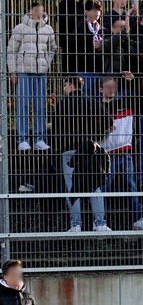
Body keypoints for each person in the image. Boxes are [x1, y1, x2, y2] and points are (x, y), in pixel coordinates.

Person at [51, 76, 110, 233]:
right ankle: (100, 224)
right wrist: (95, 135)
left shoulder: (63, 103)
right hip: (89, 149)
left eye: (65, 85)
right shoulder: (90, 101)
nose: (64, 89)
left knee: (72, 188)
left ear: (71, 86)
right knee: (95, 186)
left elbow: (55, 130)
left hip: (69, 150)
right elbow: (109, 123)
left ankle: (76, 225)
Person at [97, 77, 143, 231]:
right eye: (107, 87)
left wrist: (132, 82)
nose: (111, 90)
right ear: (100, 89)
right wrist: (103, 131)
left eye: (113, 87)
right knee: (104, 188)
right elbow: (90, 130)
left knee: (131, 186)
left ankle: (137, 218)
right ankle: (100, 221)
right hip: (106, 155)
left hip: (125, 152)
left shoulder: (125, 103)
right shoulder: (96, 107)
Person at [7, 3, 56, 151]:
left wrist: (46, 62)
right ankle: (22, 139)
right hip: (23, 71)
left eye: (41, 10)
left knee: (40, 106)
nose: (38, 13)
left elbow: (52, 48)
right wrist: (13, 71)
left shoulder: (48, 29)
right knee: (22, 105)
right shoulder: (19, 28)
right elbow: (11, 50)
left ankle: (39, 139)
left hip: (41, 72)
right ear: (29, 12)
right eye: (35, 10)